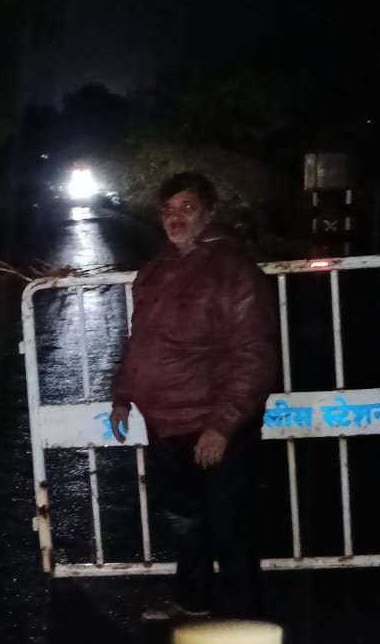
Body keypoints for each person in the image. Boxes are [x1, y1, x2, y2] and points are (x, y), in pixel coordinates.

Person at [109, 171, 277, 621]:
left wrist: (222, 425)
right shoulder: (157, 268)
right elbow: (141, 339)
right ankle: (192, 601)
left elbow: (254, 355)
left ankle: (244, 618)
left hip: (212, 425)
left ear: (209, 212)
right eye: (168, 209)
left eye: (187, 207)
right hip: (166, 425)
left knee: (231, 526)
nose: (175, 217)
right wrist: (123, 394)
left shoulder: (233, 271)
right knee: (185, 521)